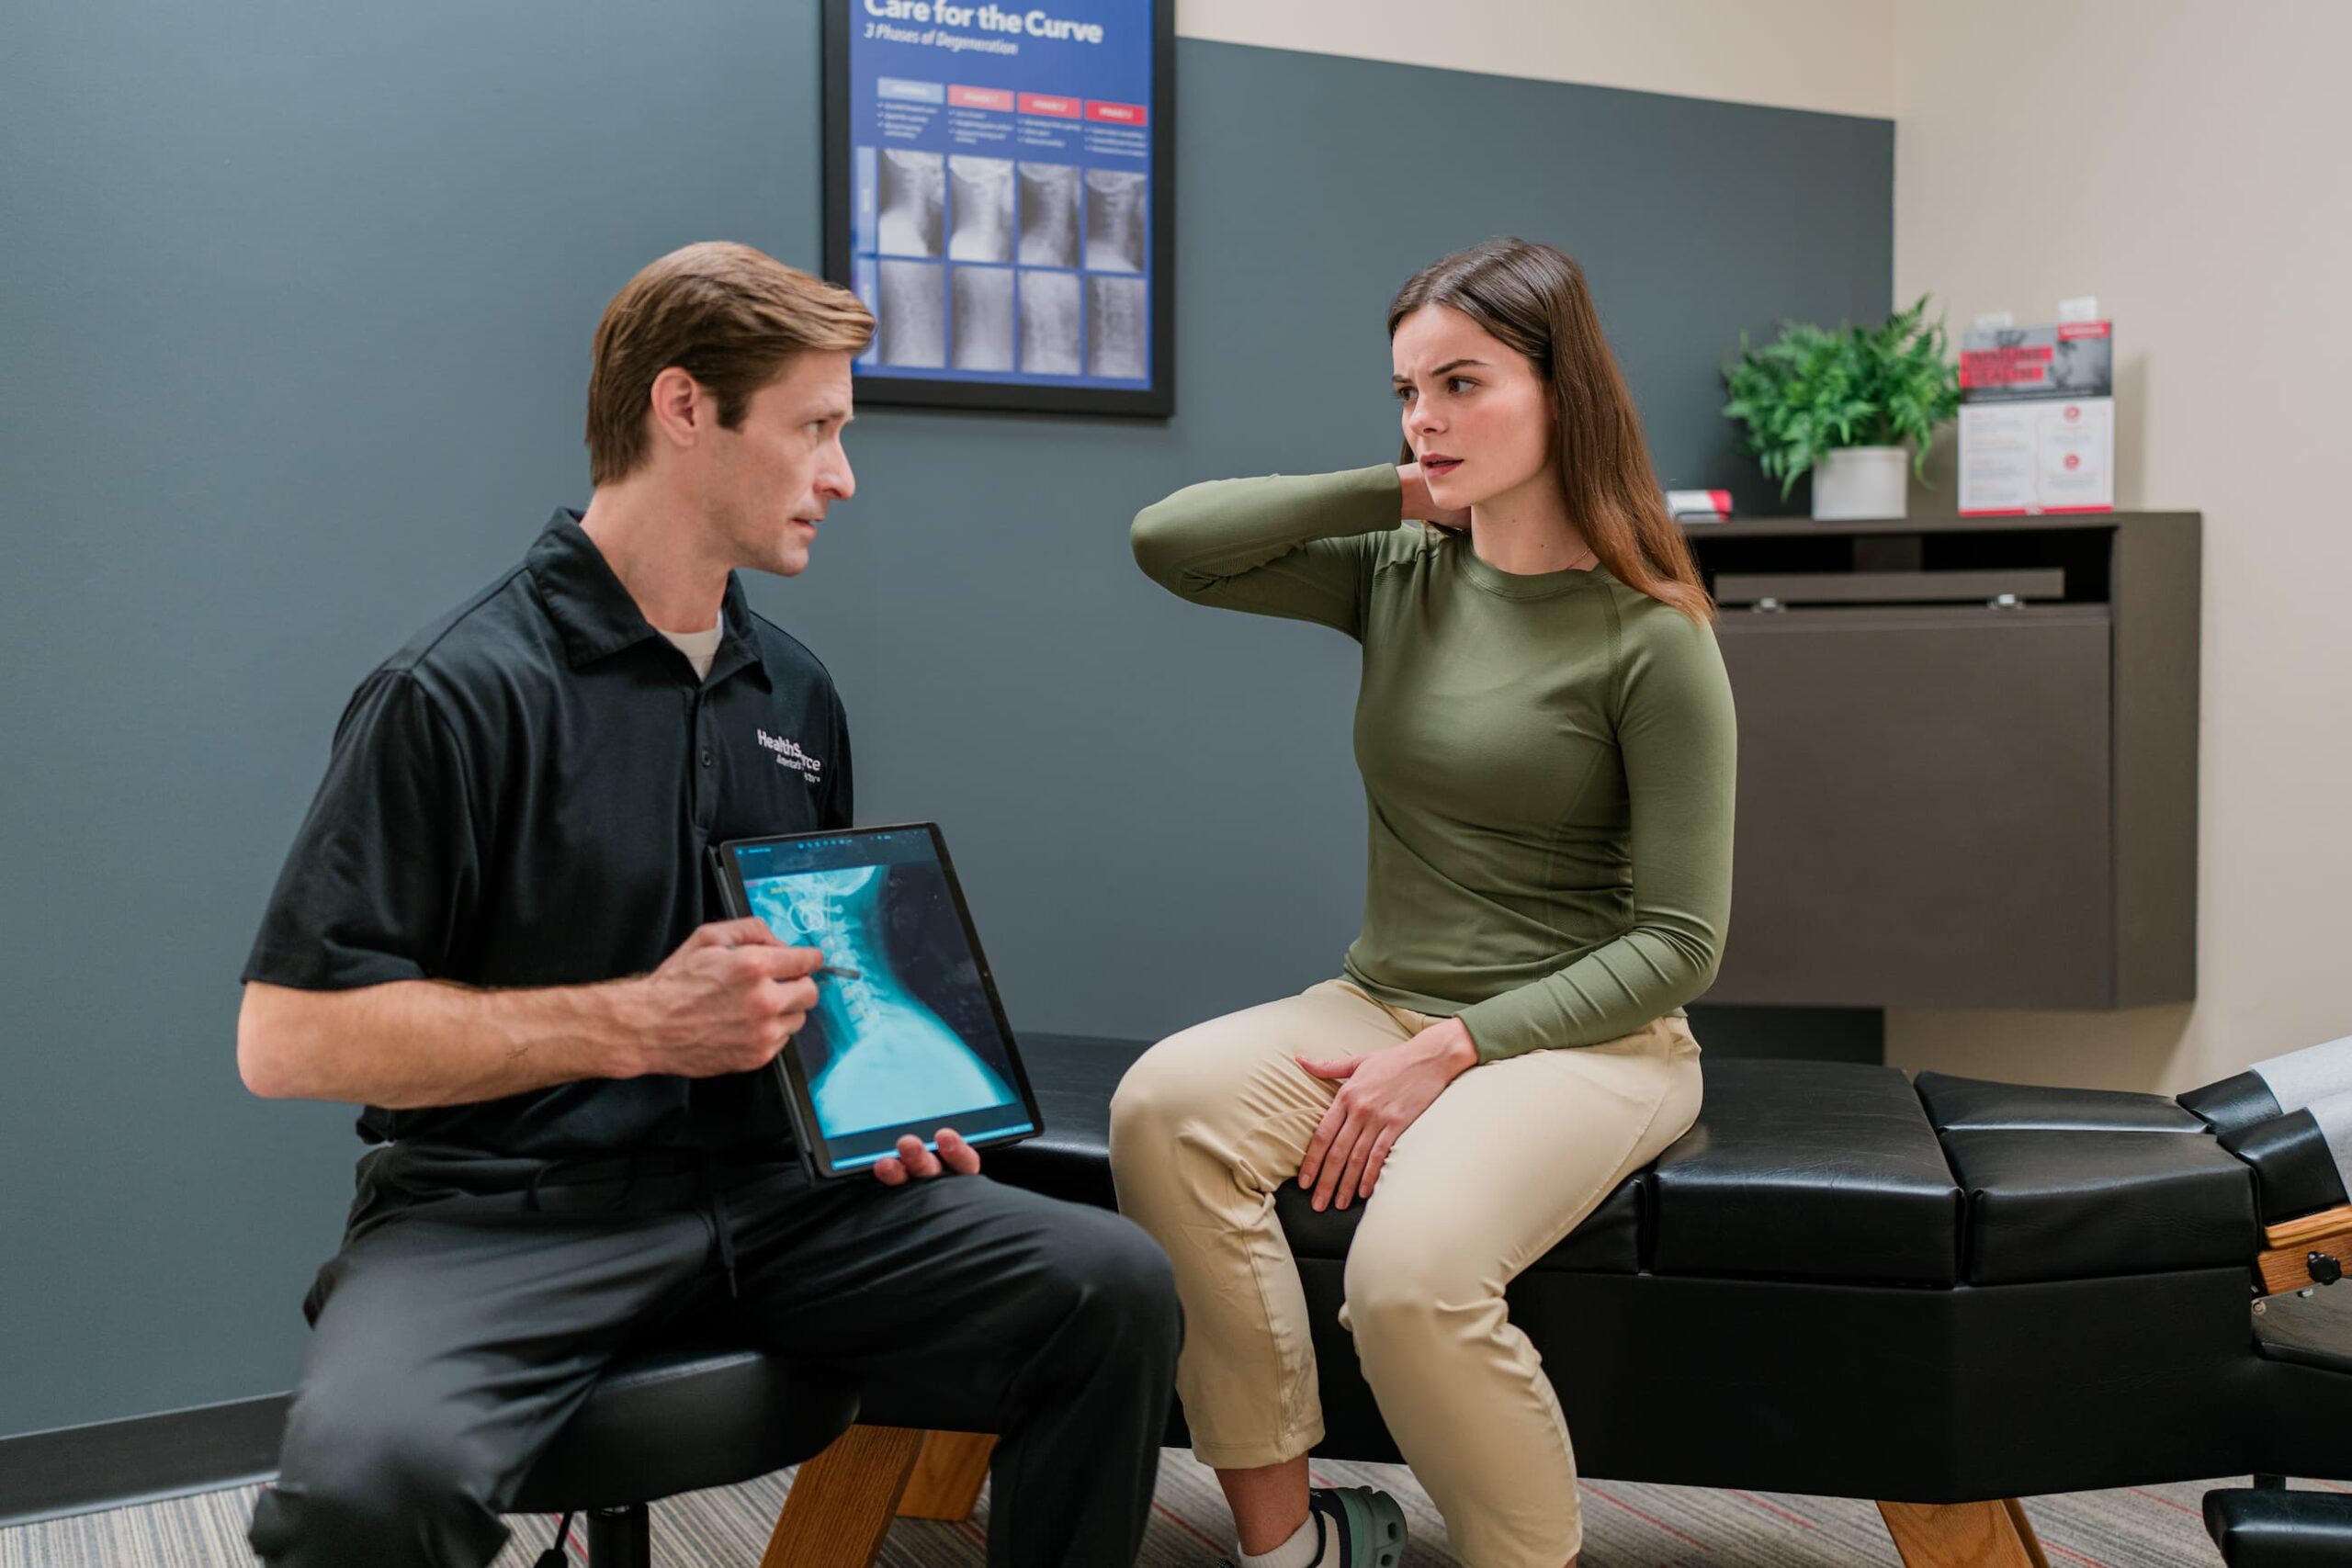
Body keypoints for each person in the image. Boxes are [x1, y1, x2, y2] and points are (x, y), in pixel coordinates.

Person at [237, 241, 1181, 1568]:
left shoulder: (792, 693)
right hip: (501, 1213)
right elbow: (289, 1043)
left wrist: (872, 1114)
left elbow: (799, 984)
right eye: (816, 429)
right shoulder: (452, 693)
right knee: (364, 1493)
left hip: (776, 1199)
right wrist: (635, 1026)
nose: (842, 475)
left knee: (1113, 1285)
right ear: (685, 409)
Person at [1109, 238, 1736, 1568]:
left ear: (1563, 392)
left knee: (1407, 1281)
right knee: (1164, 1109)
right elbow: (1169, 544)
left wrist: (1449, 1051)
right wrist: (1405, 491)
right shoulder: (1399, 571)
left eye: (1462, 385)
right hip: (1384, 993)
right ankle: (1293, 1548)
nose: (1425, 420)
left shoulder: (1652, 634)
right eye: (1407, 393)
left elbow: (1681, 945)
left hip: (1589, 1040)